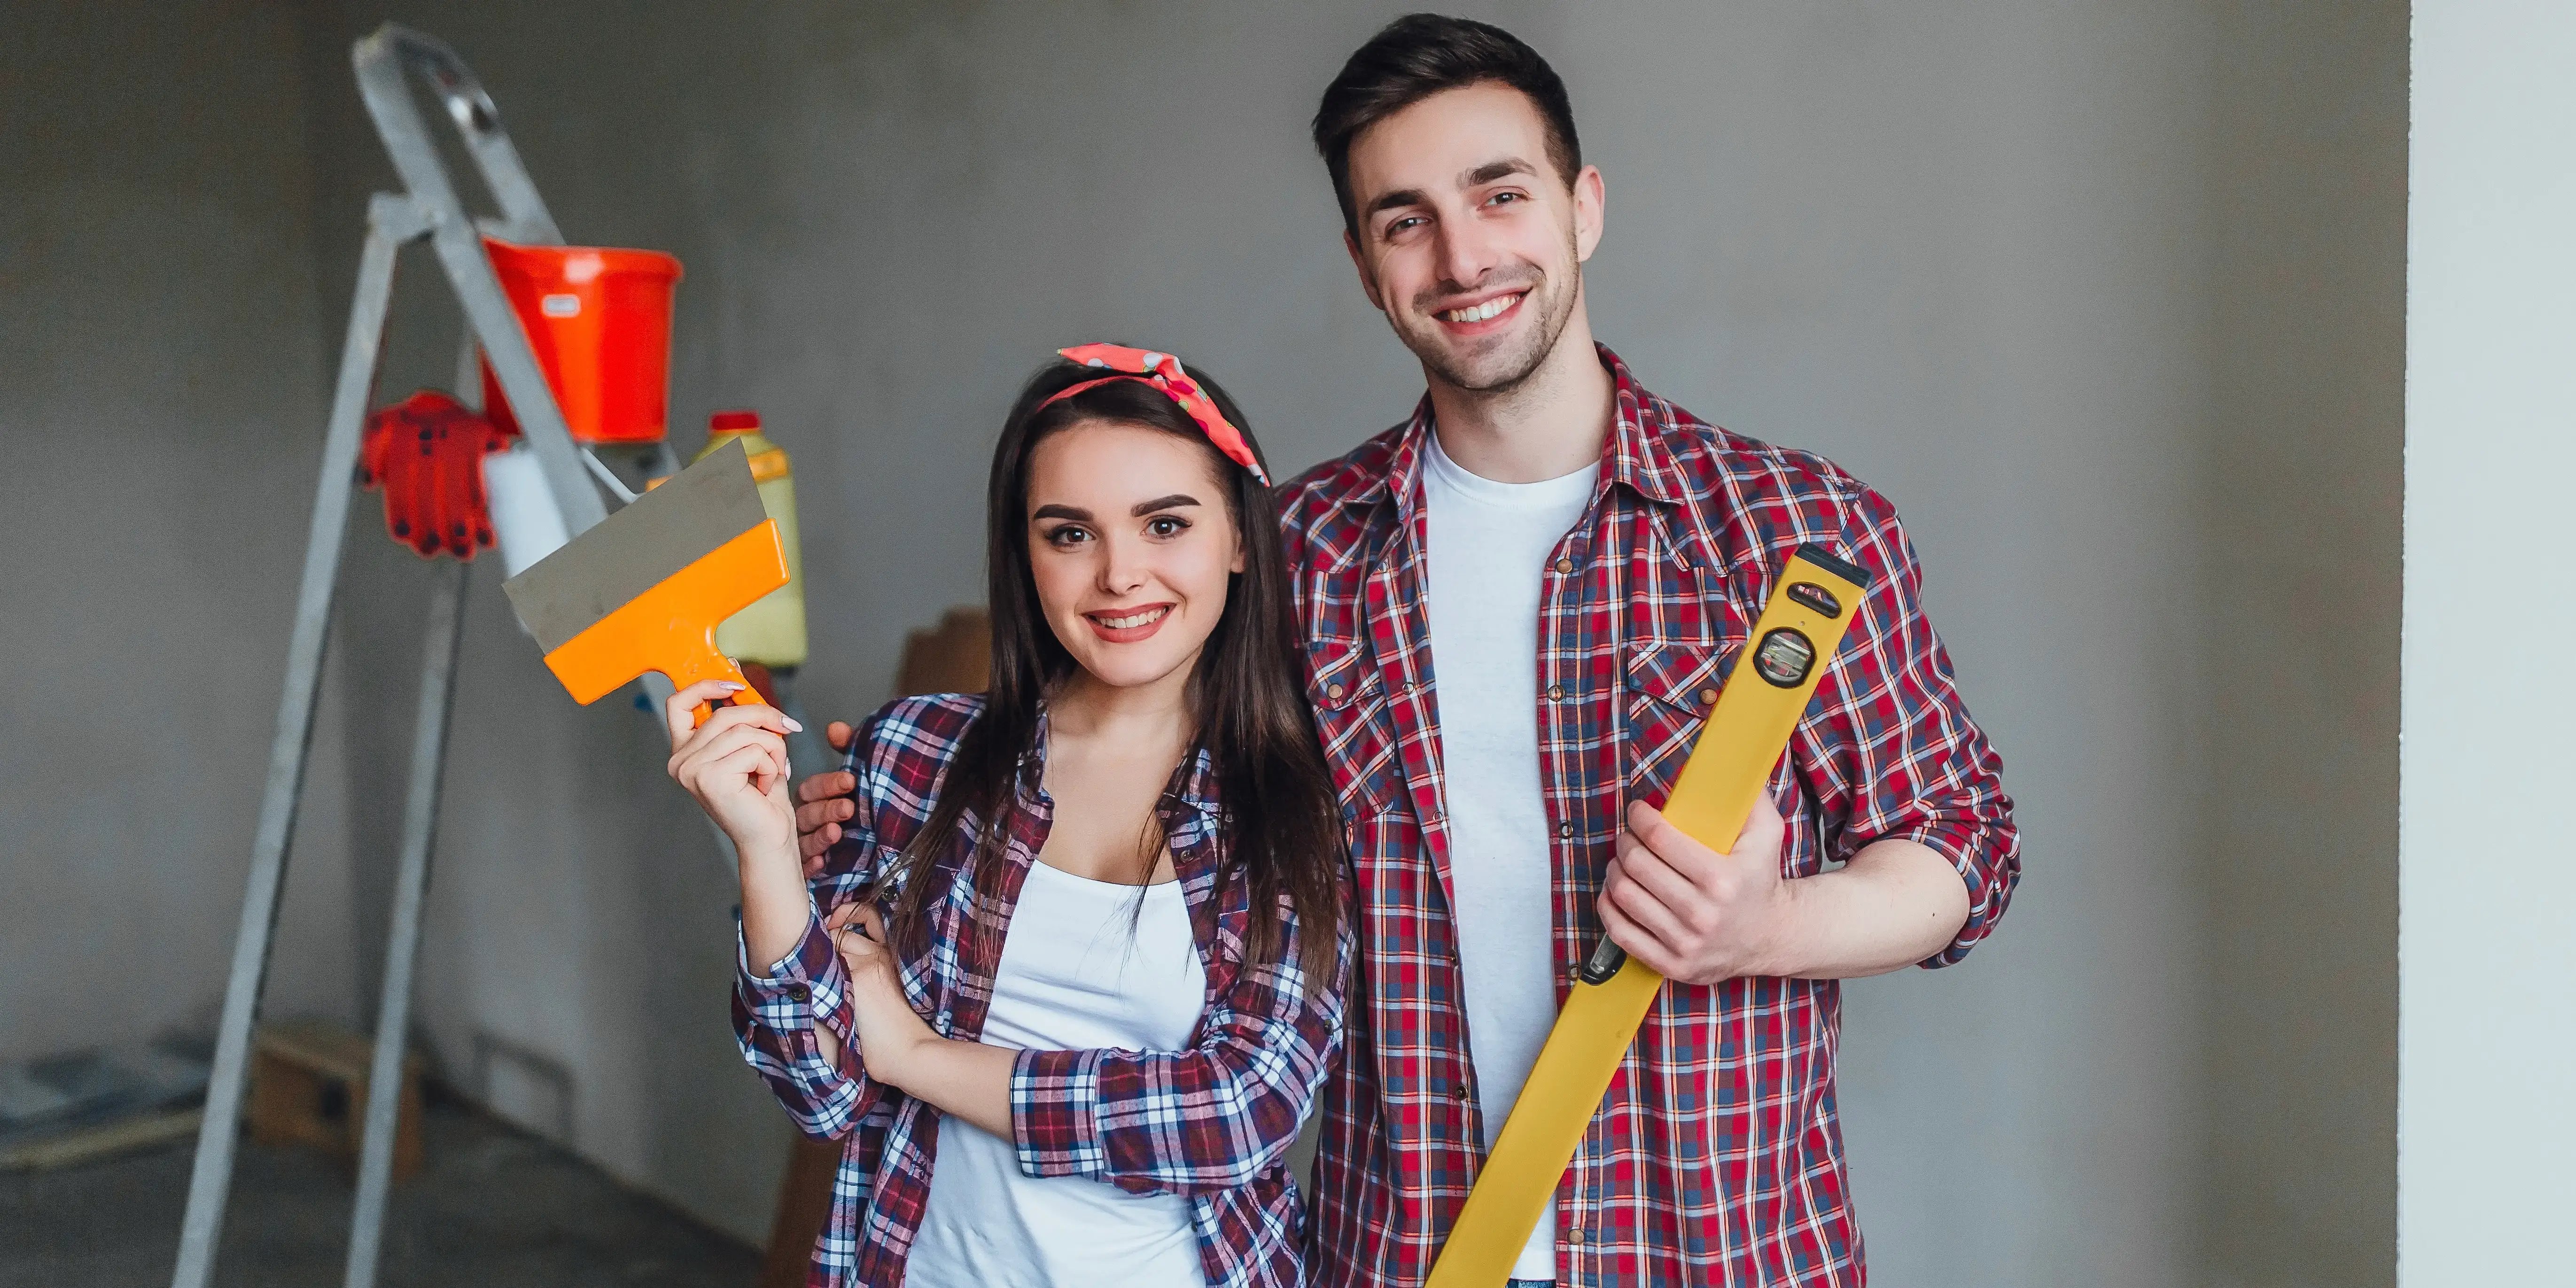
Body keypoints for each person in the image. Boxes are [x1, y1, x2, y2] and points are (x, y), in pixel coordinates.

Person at [805, 16, 2020, 1287]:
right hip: (1402, 1248)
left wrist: (1765, 923)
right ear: (1363, 262)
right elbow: (1111, 752)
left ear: (1581, 205)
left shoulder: (1795, 533)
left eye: (1498, 194)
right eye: (1403, 220)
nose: (1460, 255)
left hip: (1722, 1249)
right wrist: (891, 796)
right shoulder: (1299, 559)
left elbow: (1961, 840)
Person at [667, 344, 1350, 1288]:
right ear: (1024, 553)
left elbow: (1238, 1114)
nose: (1119, 575)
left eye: (1164, 524)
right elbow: (821, 1090)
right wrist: (767, 851)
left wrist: (916, 1055)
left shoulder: (1296, 803)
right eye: (1070, 534)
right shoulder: (919, 756)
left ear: (1239, 539)